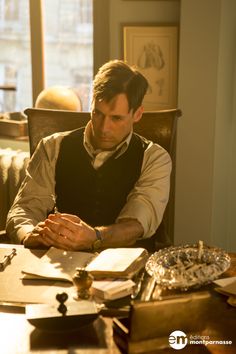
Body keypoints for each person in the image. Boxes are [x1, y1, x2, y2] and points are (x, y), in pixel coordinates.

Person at [6, 60, 171, 251]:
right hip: (61, 261)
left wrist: (95, 237)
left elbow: (135, 226)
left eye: (116, 118)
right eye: (98, 113)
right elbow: (24, 208)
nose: (103, 128)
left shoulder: (155, 158)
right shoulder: (52, 147)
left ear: (137, 114)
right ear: (90, 105)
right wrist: (27, 235)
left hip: (125, 265)